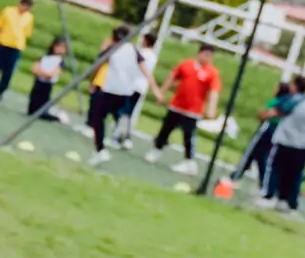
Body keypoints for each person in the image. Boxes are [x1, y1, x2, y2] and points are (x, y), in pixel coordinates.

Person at [146, 42, 223, 175]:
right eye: (205, 55)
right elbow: (172, 78)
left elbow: (214, 91)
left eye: (210, 56)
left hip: (193, 111)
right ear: (199, 53)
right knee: (165, 130)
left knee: (188, 136)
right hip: (176, 106)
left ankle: (189, 162)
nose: (207, 58)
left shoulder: (212, 73)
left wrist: (212, 109)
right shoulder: (186, 65)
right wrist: (162, 93)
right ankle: (156, 150)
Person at [258, 78, 305, 211]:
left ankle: (268, 195)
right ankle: (287, 200)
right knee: (295, 174)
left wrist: (265, 115)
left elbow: (278, 111)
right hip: (304, 145)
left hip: (286, 140)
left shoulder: (298, 101)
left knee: (275, 168)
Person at [88, 26, 147, 166]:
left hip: (111, 89)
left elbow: (99, 63)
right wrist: (155, 88)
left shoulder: (114, 48)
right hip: (126, 91)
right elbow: (143, 68)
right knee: (119, 113)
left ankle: (100, 149)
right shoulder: (132, 50)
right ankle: (123, 137)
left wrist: (92, 80)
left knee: (99, 116)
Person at [236, 78, 302, 195]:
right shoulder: (292, 100)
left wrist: (264, 115)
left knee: (255, 152)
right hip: (275, 131)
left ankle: (239, 177)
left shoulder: (281, 101)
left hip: (269, 128)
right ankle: (259, 183)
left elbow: (266, 114)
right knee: (260, 156)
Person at [27, 37, 69, 120]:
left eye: (62, 47)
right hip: (38, 82)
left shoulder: (61, 61)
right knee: (31, 109)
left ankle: (58, 117)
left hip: (47, 85)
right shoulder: (44, 57)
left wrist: (41, 72)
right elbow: (34, 69)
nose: (60, 49)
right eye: (58, 46)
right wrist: (41, 73)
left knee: (41, 110)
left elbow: (52, 74)